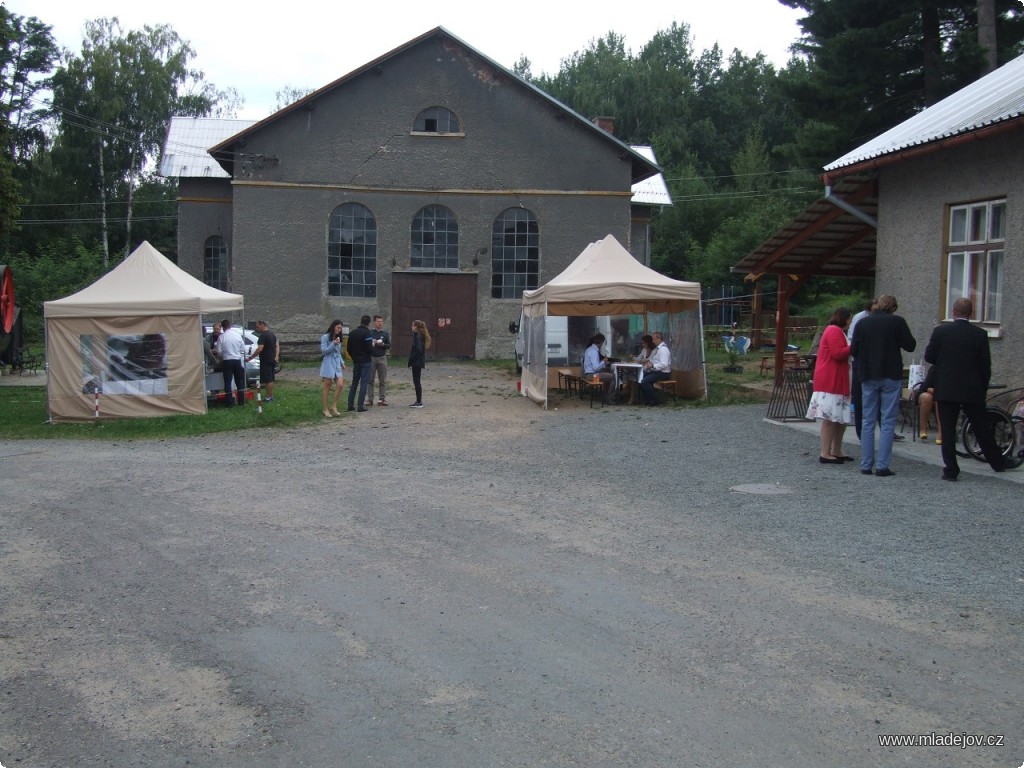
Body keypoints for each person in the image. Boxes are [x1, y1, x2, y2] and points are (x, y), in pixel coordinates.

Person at [924, 297, 1007, 480]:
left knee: (947, 429)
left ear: (953, 312)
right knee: (981, 427)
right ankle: (997, 462)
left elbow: (929, 357)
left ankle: (951, 470)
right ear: (971, 313)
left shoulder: (940, 332)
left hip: (947, 387)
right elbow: (985, 366)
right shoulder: (979, 334)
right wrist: (982, 388)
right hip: (972, 388)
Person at [849, 294, 916, 477]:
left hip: (869, 374)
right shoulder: (897, 322)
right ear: (893, 307)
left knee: (867, 421)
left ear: (877, 305)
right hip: (891, 375)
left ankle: (866, 464)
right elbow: (910, 345)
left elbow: (854, 349)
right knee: (887, 421)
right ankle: (882, 465)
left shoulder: (863, 323)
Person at [805, 308, 854, 464]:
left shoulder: (838, 332)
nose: (851, 321)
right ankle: (825, 452)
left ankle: (836, 450)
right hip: (831, 380)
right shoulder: (833, 331)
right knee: (830, 417)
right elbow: (838, 353)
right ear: (844, 319)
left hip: (839, 379)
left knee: (840, 418)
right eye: (850, 318)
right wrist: (855, 345)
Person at [847, 298, 877, 440]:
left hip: (874, 363)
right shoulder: (859, 319)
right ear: (869, 309)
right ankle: (861, 431)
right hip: (860, 361)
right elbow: (852, 340)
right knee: (859, 397)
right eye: (874, 311)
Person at [215, 318, 247, 406]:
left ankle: (229, 402)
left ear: (222, 327)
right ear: (230, 326)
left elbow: (218, 350)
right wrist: (237, 353)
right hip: (237, 360)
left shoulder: (222, 337)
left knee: (228, 381)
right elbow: (242, 348)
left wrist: (223, 355)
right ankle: (241, 400)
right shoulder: (237, 335)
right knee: (239, 381)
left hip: (227, 361)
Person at [246, 319, 279, 402]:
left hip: (266, 360)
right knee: (270, 379)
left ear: (262, 325)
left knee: (268, 380)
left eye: (257, 326)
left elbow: (260, 349)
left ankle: (268, 397)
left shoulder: (263, 335)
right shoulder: (272, 334)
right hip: (272, 359)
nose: (257, 329)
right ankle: (270, 396)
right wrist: (276, 356)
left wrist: (251, 357)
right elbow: (277, 345)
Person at [346, 314, 373, 412]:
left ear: (360, 321)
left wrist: (354, 357)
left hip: (356, 361)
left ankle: (350, 404)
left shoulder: (352, 333)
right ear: (368, 323)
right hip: (365, 360)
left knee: (354, 382)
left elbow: (348, 348)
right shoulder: (367, 333)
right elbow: (370, 348)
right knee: (364, 383)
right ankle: (360, 405)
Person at [319, 319, 346, 417]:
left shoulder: (338, 338)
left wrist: (342, 362)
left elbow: (338, 352)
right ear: (333, 327)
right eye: (338, 327)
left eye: (340, 328)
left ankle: (334, 406)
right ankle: (325, 409)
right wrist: (333, 344)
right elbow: (324, 351)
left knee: (340, 385)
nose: (339, 330)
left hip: (337, 363)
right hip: (328, 363)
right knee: (327, 385)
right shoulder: (325, 337)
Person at [638, 331, 672, 406]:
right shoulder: (658, 349)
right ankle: (646, 399)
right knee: (640, 377)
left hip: (663, 373)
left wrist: (653, 366)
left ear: (659, 339)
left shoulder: (663, 350)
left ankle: (653, 400)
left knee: (644, 381)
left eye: (654, 339)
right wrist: (649, 361)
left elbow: (664, 364)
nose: (652, 341)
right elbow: (656, 360)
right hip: (657, 371)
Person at [582, 333, 615, 404]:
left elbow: (594, 365)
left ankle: (605, 396)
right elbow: (595, 368)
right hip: (591, 376)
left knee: (608, 372)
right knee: (613, 377)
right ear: (601, 342)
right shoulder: (594, 351)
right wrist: (603, 361)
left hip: (588, 373)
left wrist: (603, 364)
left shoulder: (589, 349)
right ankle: (609, 398)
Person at [366, 314, 391, 406]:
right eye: (378, 321)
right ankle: (370, 398)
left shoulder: (385, 333)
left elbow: (389, 345)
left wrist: (383, 344)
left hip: (382, 357)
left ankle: (382, 398)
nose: (380, 323)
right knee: (370, 379)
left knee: (382, 380)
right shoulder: (370, 333)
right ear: (374, 322)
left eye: (381, 321)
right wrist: (372, 344)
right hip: (372, 357)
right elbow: (366, 344)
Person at [408, 319, 431, 407]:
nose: (411, 327)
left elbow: (418, 350)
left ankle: (419, 401)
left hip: (417, 362)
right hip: (418, 361)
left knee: (416, 381)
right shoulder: (419, 336)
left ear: (416, 327)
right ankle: (418, 401)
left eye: (413, 325)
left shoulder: (418, 336)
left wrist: (411, 360)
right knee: (417, 381)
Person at [916, 364, 941, 443]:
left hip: (940, 397)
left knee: (940, 399)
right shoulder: (934, 368)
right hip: (927, 392)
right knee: (927, 398)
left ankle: (941, 431)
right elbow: (926, 387)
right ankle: (923, 428)